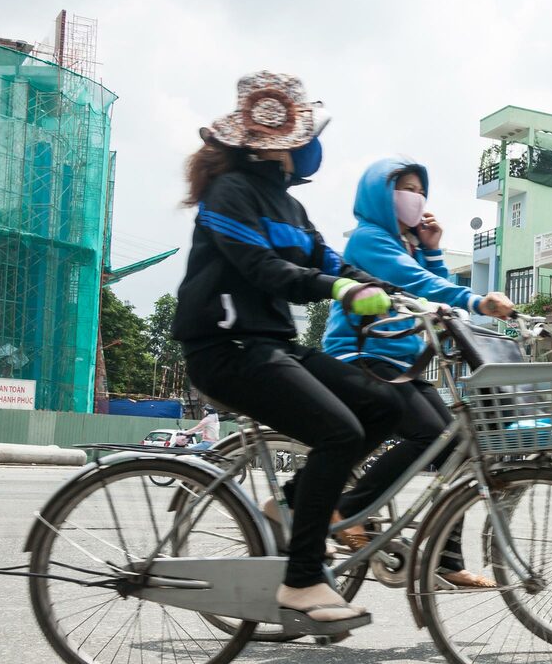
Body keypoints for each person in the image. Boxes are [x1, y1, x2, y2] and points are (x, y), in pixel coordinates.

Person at [172, 71, 399, 626]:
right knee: (338, 432)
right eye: (309, 137)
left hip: (270, 344)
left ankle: (293, 507)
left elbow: (327, 260)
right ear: (283, 149)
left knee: (384, 407)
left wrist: (384, 289)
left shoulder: (289, 207)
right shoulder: (229, 195)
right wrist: (339, 289)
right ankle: (300, 582)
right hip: (225, 349)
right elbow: (265, 269)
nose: (316, 148)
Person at [321, 157, 513, 588]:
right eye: (405, 188)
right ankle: (349, 508)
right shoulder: (370, 241)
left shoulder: (405, 245)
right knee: (432, 433)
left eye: (420, 189)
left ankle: (445, 559)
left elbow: (433, 289)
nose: (416, 197)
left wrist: (431, 248)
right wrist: (477, 300)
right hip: (362, 357)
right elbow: (422, 285)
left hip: (404, 364)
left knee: (458, 447)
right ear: (379, 196)